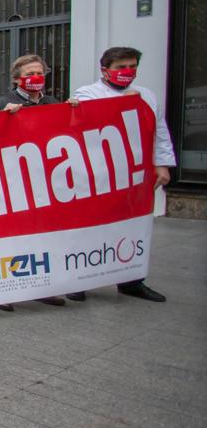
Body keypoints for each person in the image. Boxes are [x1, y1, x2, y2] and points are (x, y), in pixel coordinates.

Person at [70, 46, 175, 303]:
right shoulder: (87, 93)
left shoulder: (147, 95)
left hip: (135, 173)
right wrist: (127, 101)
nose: (127, 72)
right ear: (105, 70)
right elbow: (84, 123)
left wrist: (162, 164)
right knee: (91, 227)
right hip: (100, 173)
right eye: (120, 67)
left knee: (132, 226)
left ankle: (131, 279)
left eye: (131, 66)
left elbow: (159, 131)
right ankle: (78, 281)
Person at [0, 53, 76, 308]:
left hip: (45, 181)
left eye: (39, 73)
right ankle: (3, 291)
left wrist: (72, 113)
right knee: (12, 235)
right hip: (14, 180)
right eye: (28, 74)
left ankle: (41, 286)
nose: (35, 78)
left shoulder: (52, 102)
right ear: (17, 79)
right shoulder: (3, 103)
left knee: (42, 235)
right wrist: (3, 118)